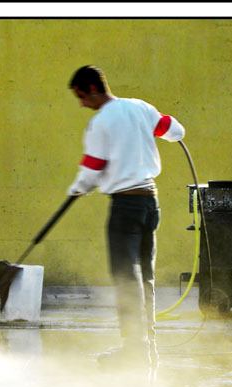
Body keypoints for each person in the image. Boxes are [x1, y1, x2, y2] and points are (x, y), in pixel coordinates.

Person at [66, 65, 185, 369]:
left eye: (81, 96)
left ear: (93, 88)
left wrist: (78, 189)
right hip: (150, 204)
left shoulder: (101, 122)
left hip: (125, 206)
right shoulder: (140, 108)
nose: (81, 104)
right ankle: (148, 348)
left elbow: (92, 169)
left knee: (125, 276)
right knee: (145, 276)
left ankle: (134, 350)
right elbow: (175, 131)